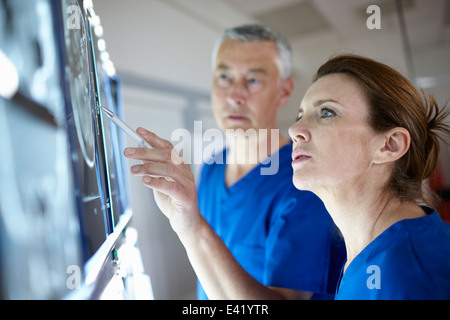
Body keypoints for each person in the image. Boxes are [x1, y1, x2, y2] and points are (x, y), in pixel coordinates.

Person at [124, 24, 345, 300]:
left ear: (284, 91)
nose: (235, 95)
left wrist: (191, 227)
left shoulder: (306, 184)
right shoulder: (211, 168)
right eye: (225, 77)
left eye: (253, 80)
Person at [288, 54, 450, 299]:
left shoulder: (408, 274)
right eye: (300, 116)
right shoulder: (369, 253)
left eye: (327, 112)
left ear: (390, 145)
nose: (294, 130)